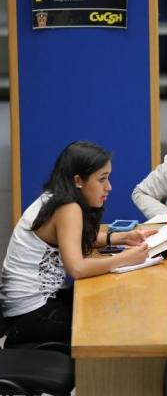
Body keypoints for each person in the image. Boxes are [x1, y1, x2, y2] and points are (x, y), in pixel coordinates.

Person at [0, 141, 154, 345]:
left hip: (29, 308)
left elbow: (73, 240)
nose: (109, 187)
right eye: (102, 179)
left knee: (106, 300)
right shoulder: (67, 207)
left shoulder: (56, 197)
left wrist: (122, 238)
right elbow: (78, 269)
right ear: (78, 180)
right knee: (112, 324)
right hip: (31, 315)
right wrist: (125, 258)